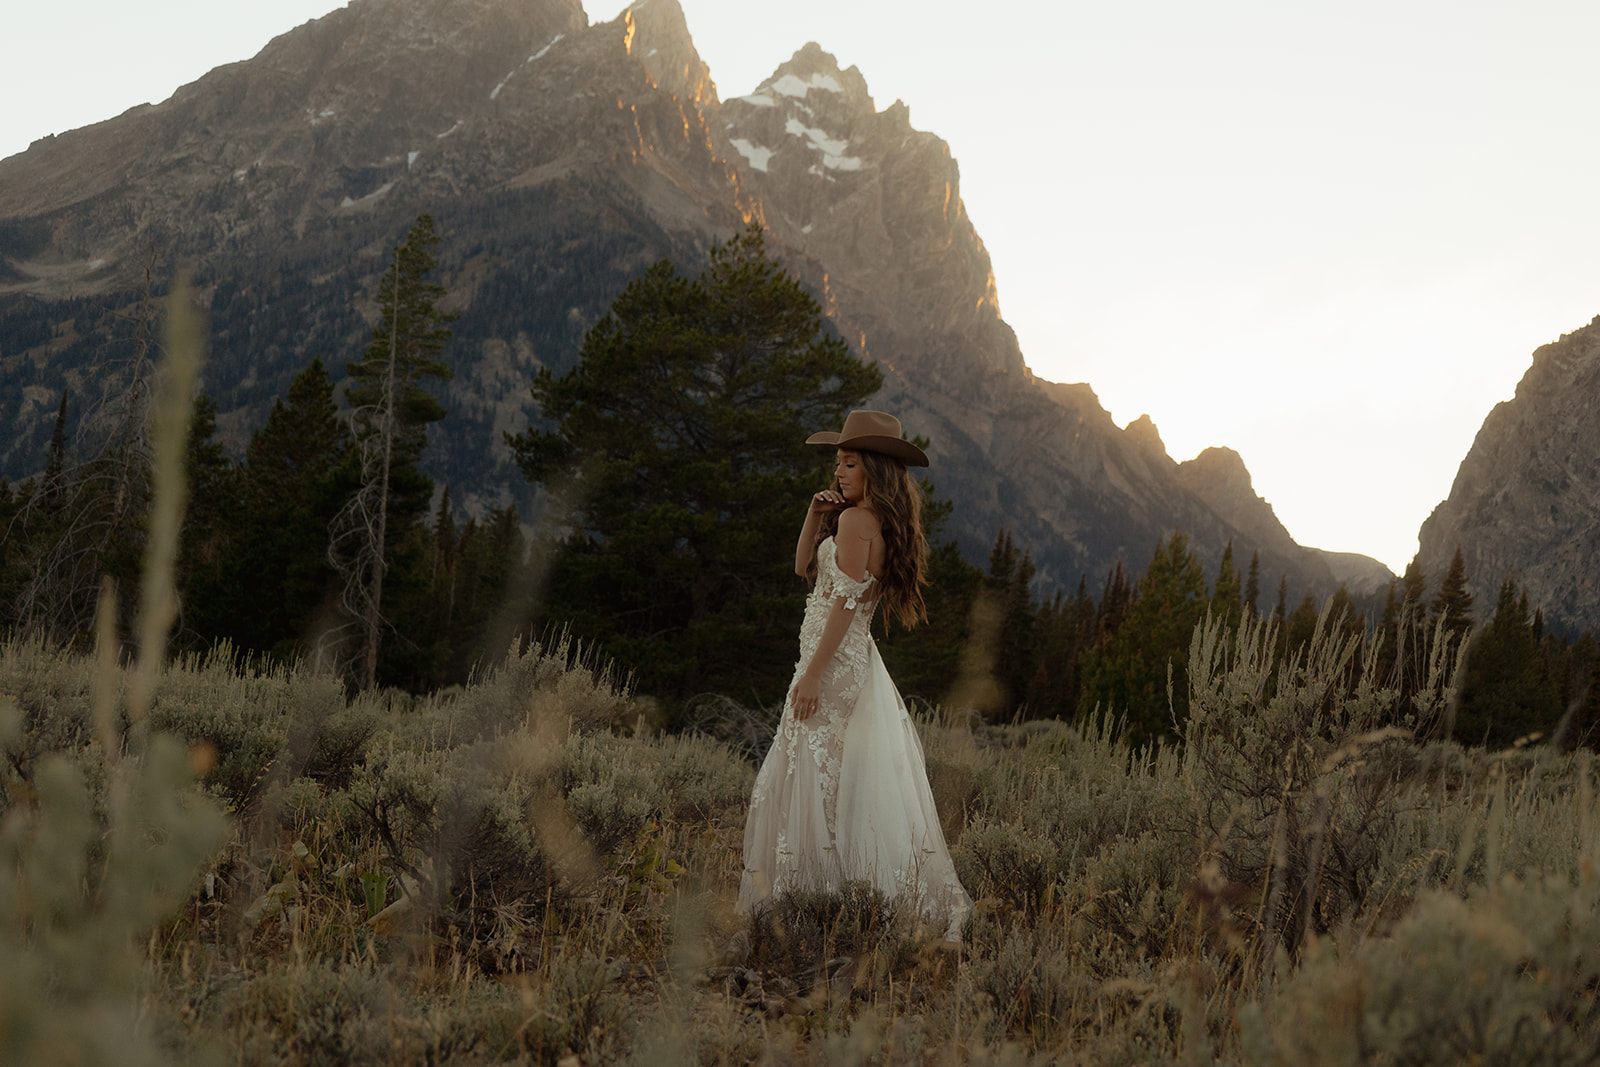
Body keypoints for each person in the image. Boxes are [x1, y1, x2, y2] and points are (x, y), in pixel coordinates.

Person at [738, 410, 972, 941]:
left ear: (874, 469)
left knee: (813, 768)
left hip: (833, 663)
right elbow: (804, 570)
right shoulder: (865, 521)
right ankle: (835, 892)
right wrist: (812, 516)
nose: (838, 472)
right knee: (829, 770)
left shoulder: (855, 523)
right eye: (837, 463)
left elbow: (843, 605)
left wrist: (813, 675)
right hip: (847, 663)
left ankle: (811, 897)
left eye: (849, 463)